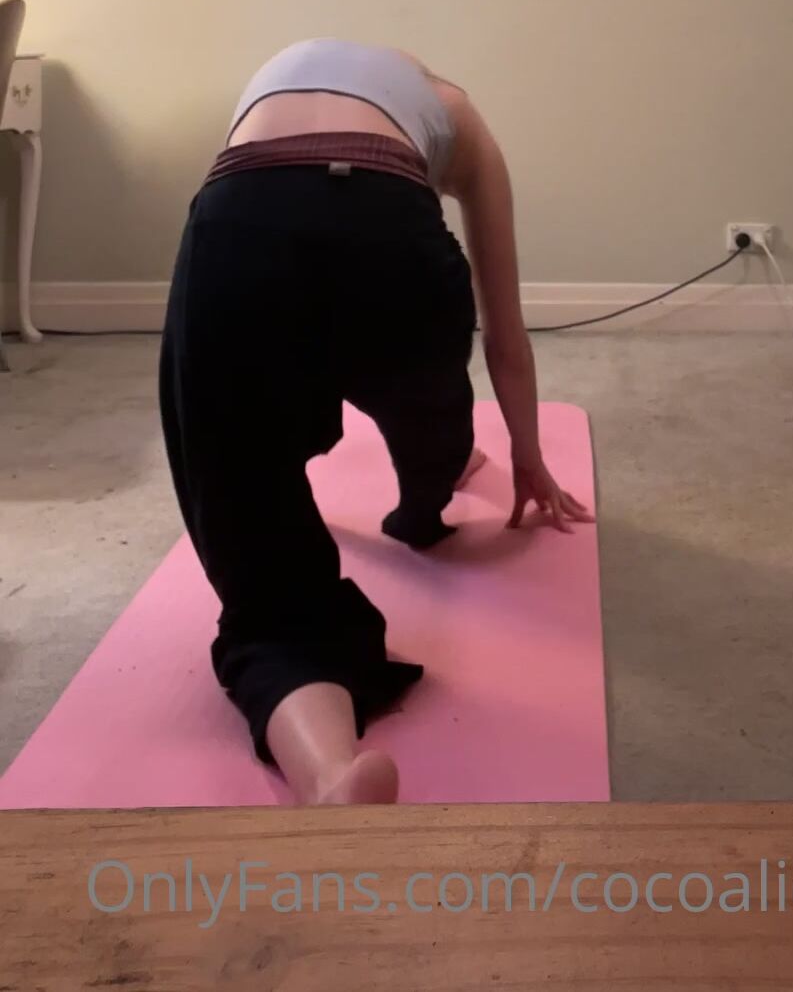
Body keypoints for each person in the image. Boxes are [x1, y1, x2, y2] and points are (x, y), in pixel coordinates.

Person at [158, 39, 592, 806]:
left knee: (255, 535)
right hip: (388, 242)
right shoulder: (457, 112)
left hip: (235, 224)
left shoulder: (281, 78)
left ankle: (329, 771)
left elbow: (272, 236)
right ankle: (433, 481)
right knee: (431, 423)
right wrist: (527, 458)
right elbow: (505, 333)